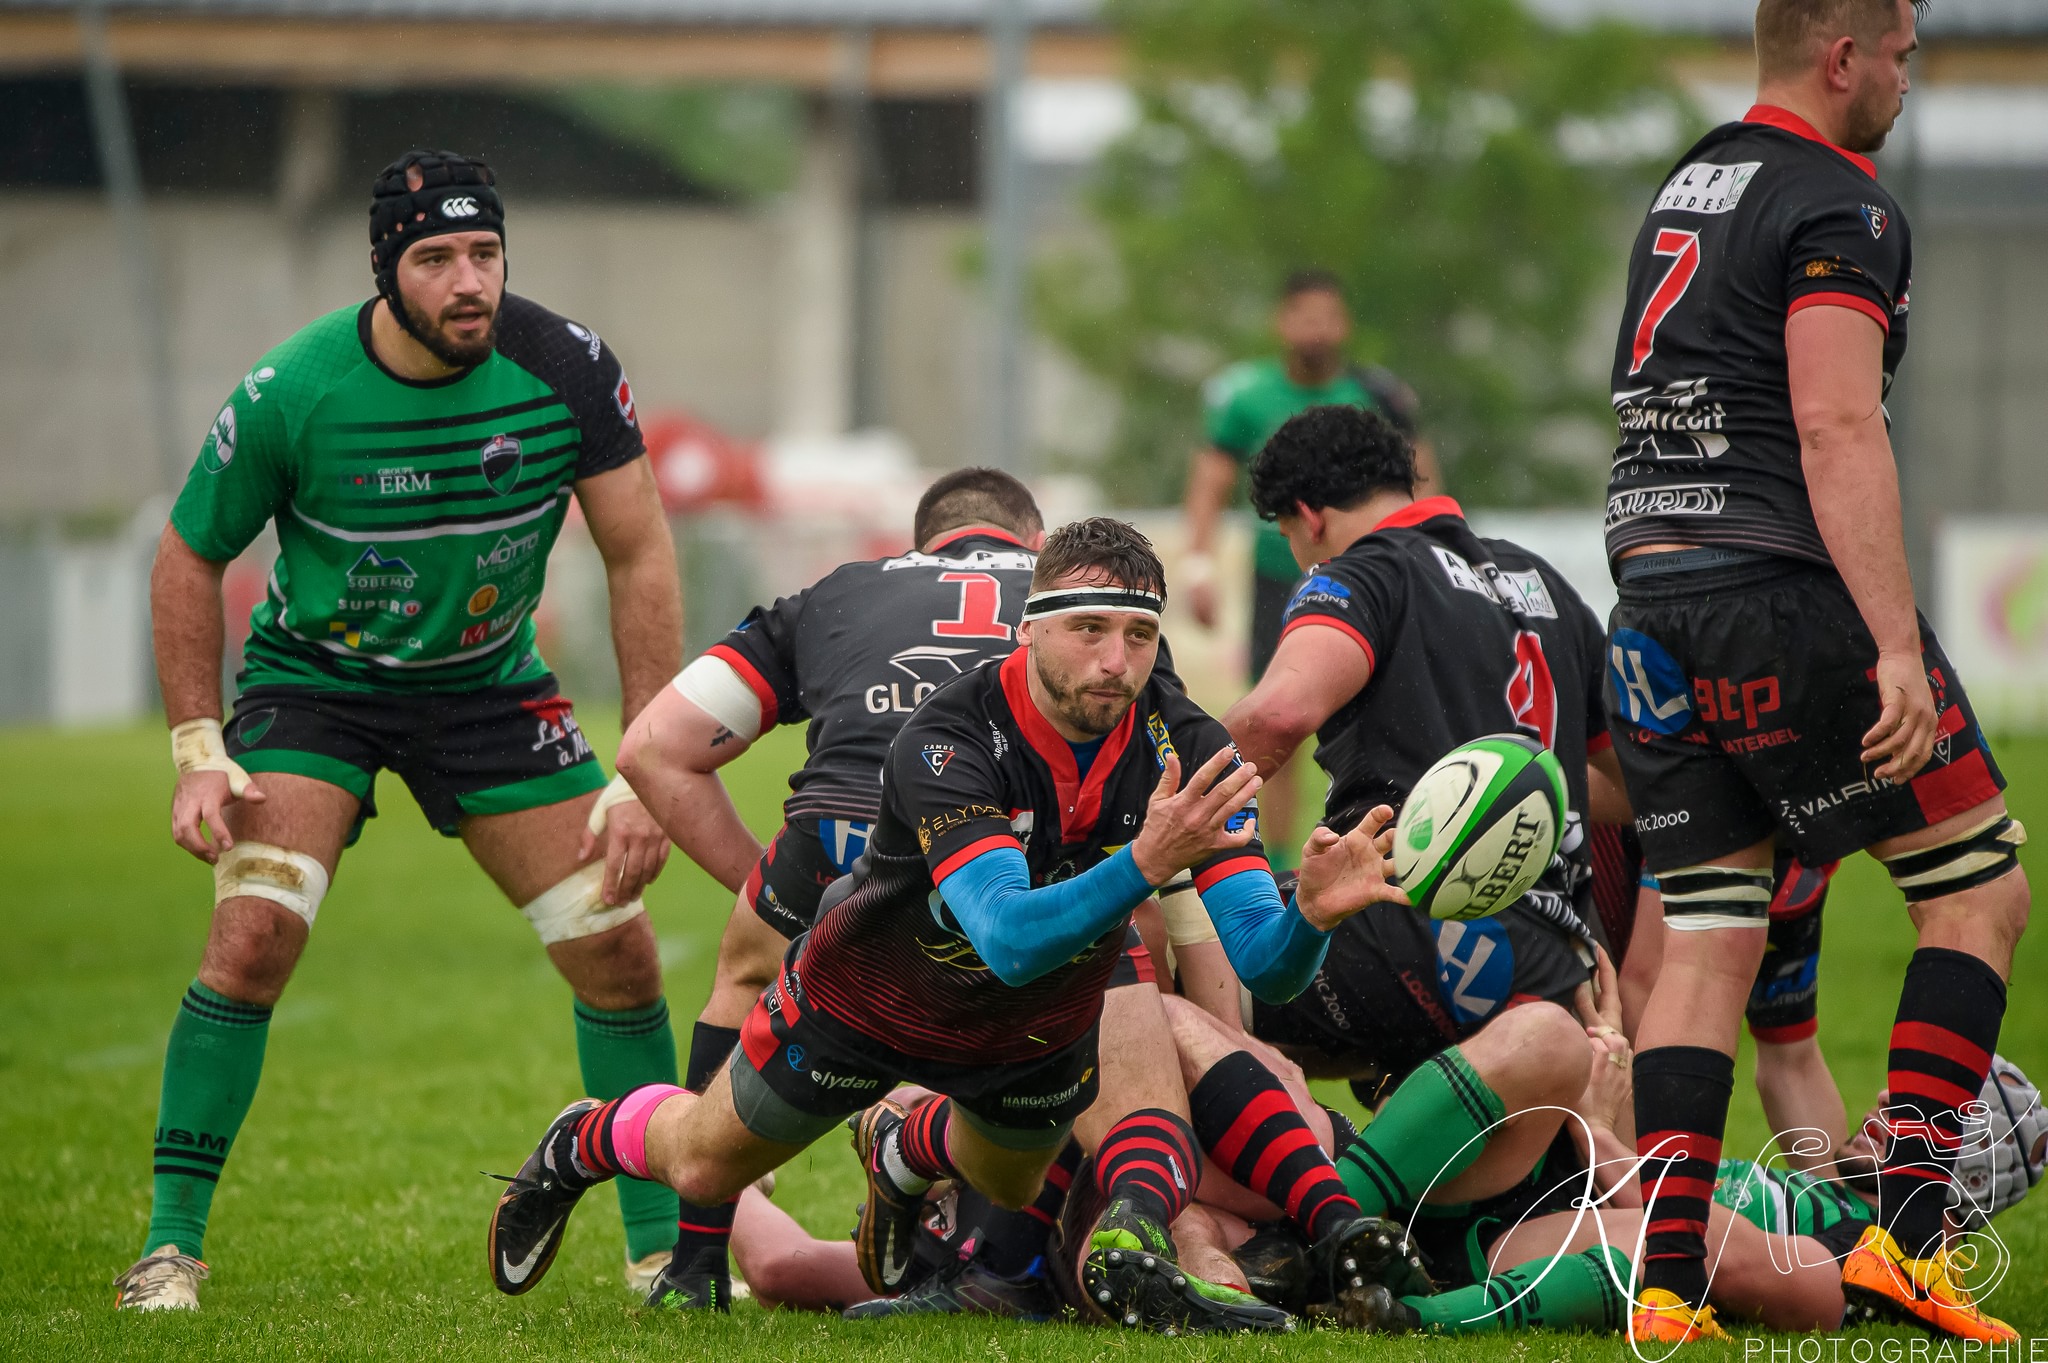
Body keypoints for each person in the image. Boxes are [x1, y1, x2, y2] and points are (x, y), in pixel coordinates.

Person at [485, 518, 1408, 1331]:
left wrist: (1311, 919)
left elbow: (1264, 961)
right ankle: (586, 1139)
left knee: (1007, 1185)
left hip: (1033, 1024)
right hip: (873, 994)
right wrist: (1144, 863)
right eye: (1088, 630)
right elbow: (1004, 935)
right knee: (698, 1164)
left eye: (1138, 634)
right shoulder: (947, 735)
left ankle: (903, 1147)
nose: (1115, 662)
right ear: (1029, 627)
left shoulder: (1187, 744)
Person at [113, 150, 684, 1312]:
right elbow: (187, 554)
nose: (468, 281)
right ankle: (170, 1247)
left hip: (489, 689)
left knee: (618, 954)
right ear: (387, 269)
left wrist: (643, 766)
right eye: (436, 259)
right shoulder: (296, 389)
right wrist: (196, 744)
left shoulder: (565, 366)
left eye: (484, 253)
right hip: (316, 685)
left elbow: (639, 553)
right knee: (254, 938)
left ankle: (663, 1255)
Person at [1601, 0, 2028, 1343]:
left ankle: (1665, 1286)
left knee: (1711, 934)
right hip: (1779, 589)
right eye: (1901, 56)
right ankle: (1903, 1236)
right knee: (1980, 888)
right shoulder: (1841, 199)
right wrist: (1894, 643)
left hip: (1650, 592)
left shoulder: (1695, 177)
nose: (1905, 82)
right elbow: (1836, 418)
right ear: (1844, 55)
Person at [608, 468, 1042, 1304]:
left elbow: (653, 747)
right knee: (1084, 995)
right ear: (1035, 539)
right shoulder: (1076, 598)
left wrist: (769, 895)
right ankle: (994, 1257)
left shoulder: (844, 589)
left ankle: (693, 1268)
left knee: (741, 982)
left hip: (840, 834)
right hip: (1000, 844)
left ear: (925, 543)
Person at [1215, 403, 1618, 1096]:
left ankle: (1214, 1197)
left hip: (1414, 932)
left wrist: (1152, 804)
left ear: (1309, 517)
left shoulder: (1360, 574)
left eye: (1288, 535)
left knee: (1155, 959)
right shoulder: (1543, 582)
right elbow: (1631, 787)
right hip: (1555, 957)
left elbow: (1277, 715)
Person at [1182, 270, 1429, 865]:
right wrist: (1198, 565)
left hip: (1378, 577)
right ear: (1282, 322)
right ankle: (1276, 857)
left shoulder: (1377, 394)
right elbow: (1210, 481)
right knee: (1279, 718)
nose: (1317, 329)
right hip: (1282, 576)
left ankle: (1404, 842)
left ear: (1344, 323)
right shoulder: (1246, 396)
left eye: (1328, 315)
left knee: (1397, 713)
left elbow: (1416, 478)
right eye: (1305, 315)